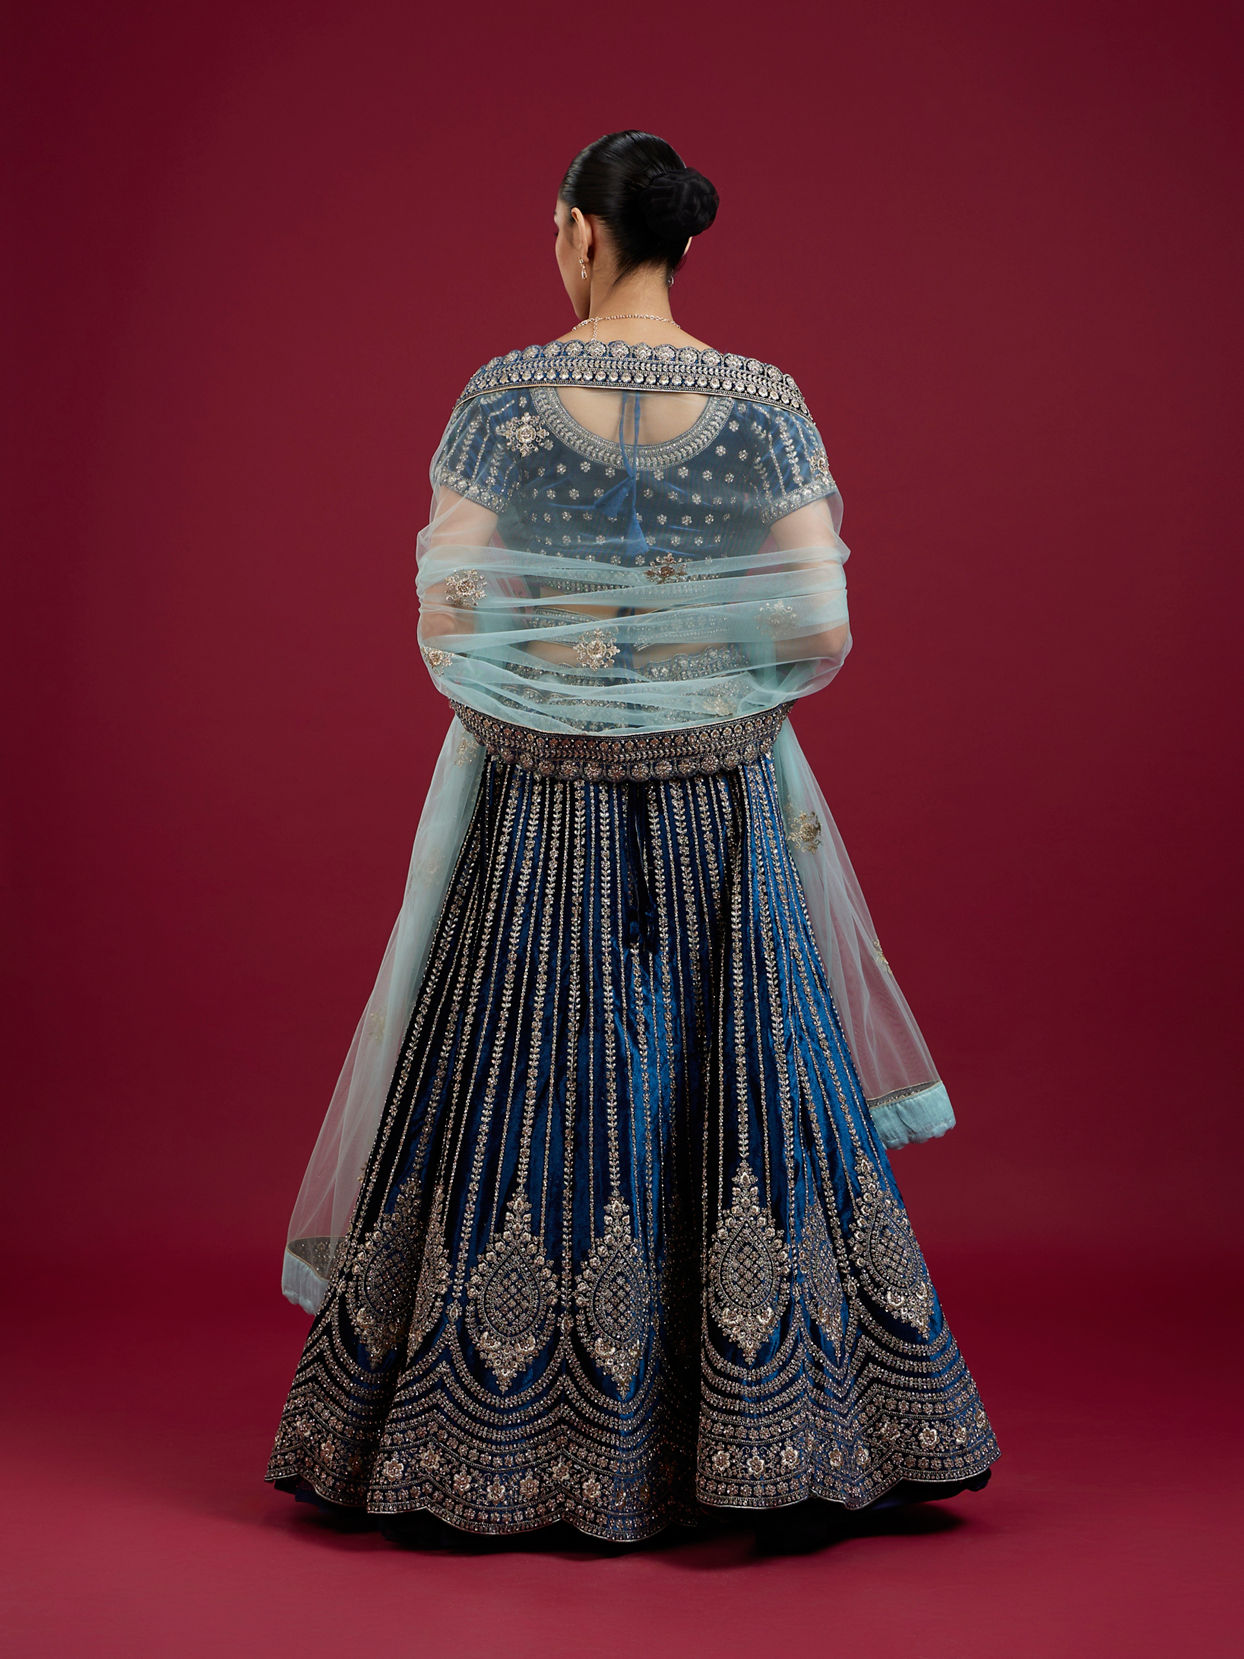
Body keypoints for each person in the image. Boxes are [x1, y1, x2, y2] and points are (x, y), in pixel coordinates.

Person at [265, 129, 998, 1553]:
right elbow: (820, 626)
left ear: (579, 232)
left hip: (540, 798)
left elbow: (451, 618)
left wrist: (570, 676)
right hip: (719, 802)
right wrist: (695, 674)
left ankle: (489, 1438)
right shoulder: (765, 403)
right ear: (681, 241)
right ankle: (769, 1432)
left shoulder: (501, 398)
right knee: (743, 1084)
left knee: (525, 1084)